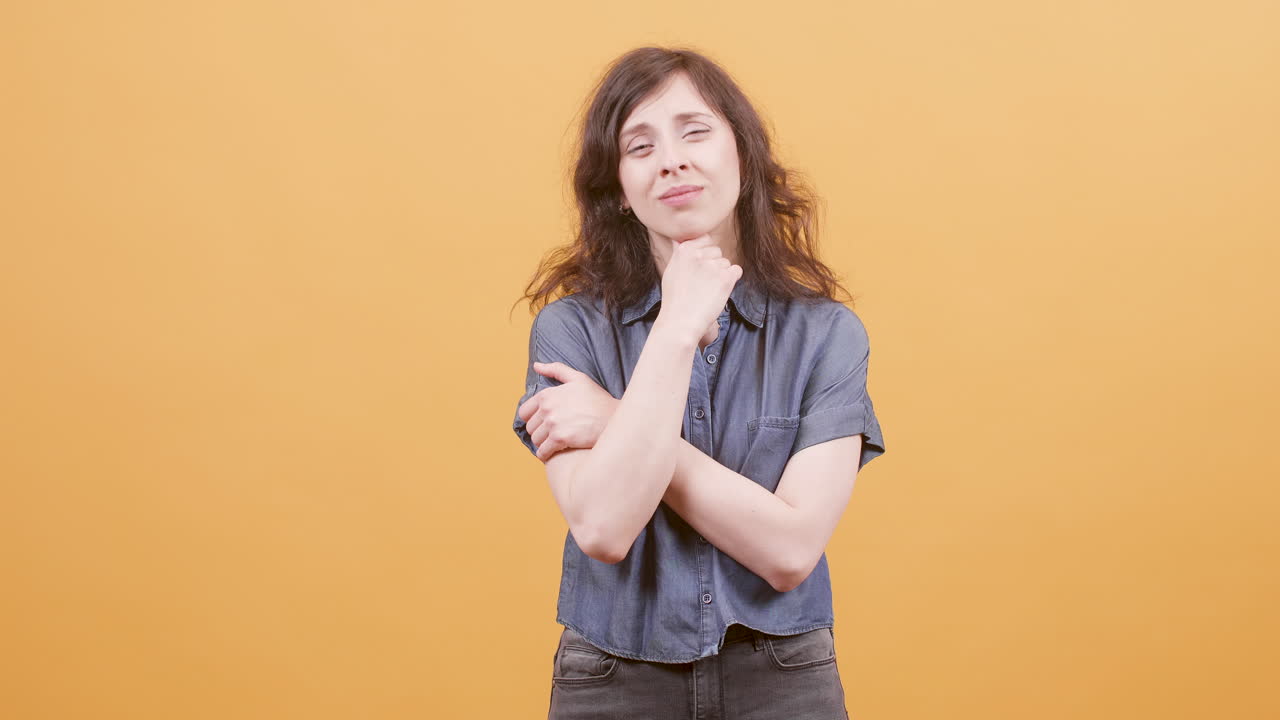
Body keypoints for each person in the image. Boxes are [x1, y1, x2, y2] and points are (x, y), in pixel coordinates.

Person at [510, 45, 887, 719]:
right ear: (619, 191)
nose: (671, 160)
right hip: (612, 680)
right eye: (639, 145)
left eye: (694, 131)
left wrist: (614, 420)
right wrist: (677, 328)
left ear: (741, 152)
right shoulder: (570, 333)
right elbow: (603, 526)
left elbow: (790, 551)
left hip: (783, 679)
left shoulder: (828, 336)